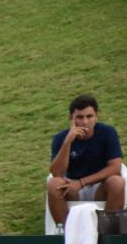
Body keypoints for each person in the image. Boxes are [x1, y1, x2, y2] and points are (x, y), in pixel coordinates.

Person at [47, 94, 124, 228]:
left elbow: (116, 167)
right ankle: (66, 233)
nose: (85, 122)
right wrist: (67, 143)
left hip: (99, 186)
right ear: (71, 118)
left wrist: (82, 182)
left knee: (117, 182)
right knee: (54, 184)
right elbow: (56, 173)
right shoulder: (60, 138)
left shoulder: (107, 132)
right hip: (71, 187)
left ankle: (110, 232)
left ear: (96, 117)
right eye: (80, 117)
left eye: (89, 116)